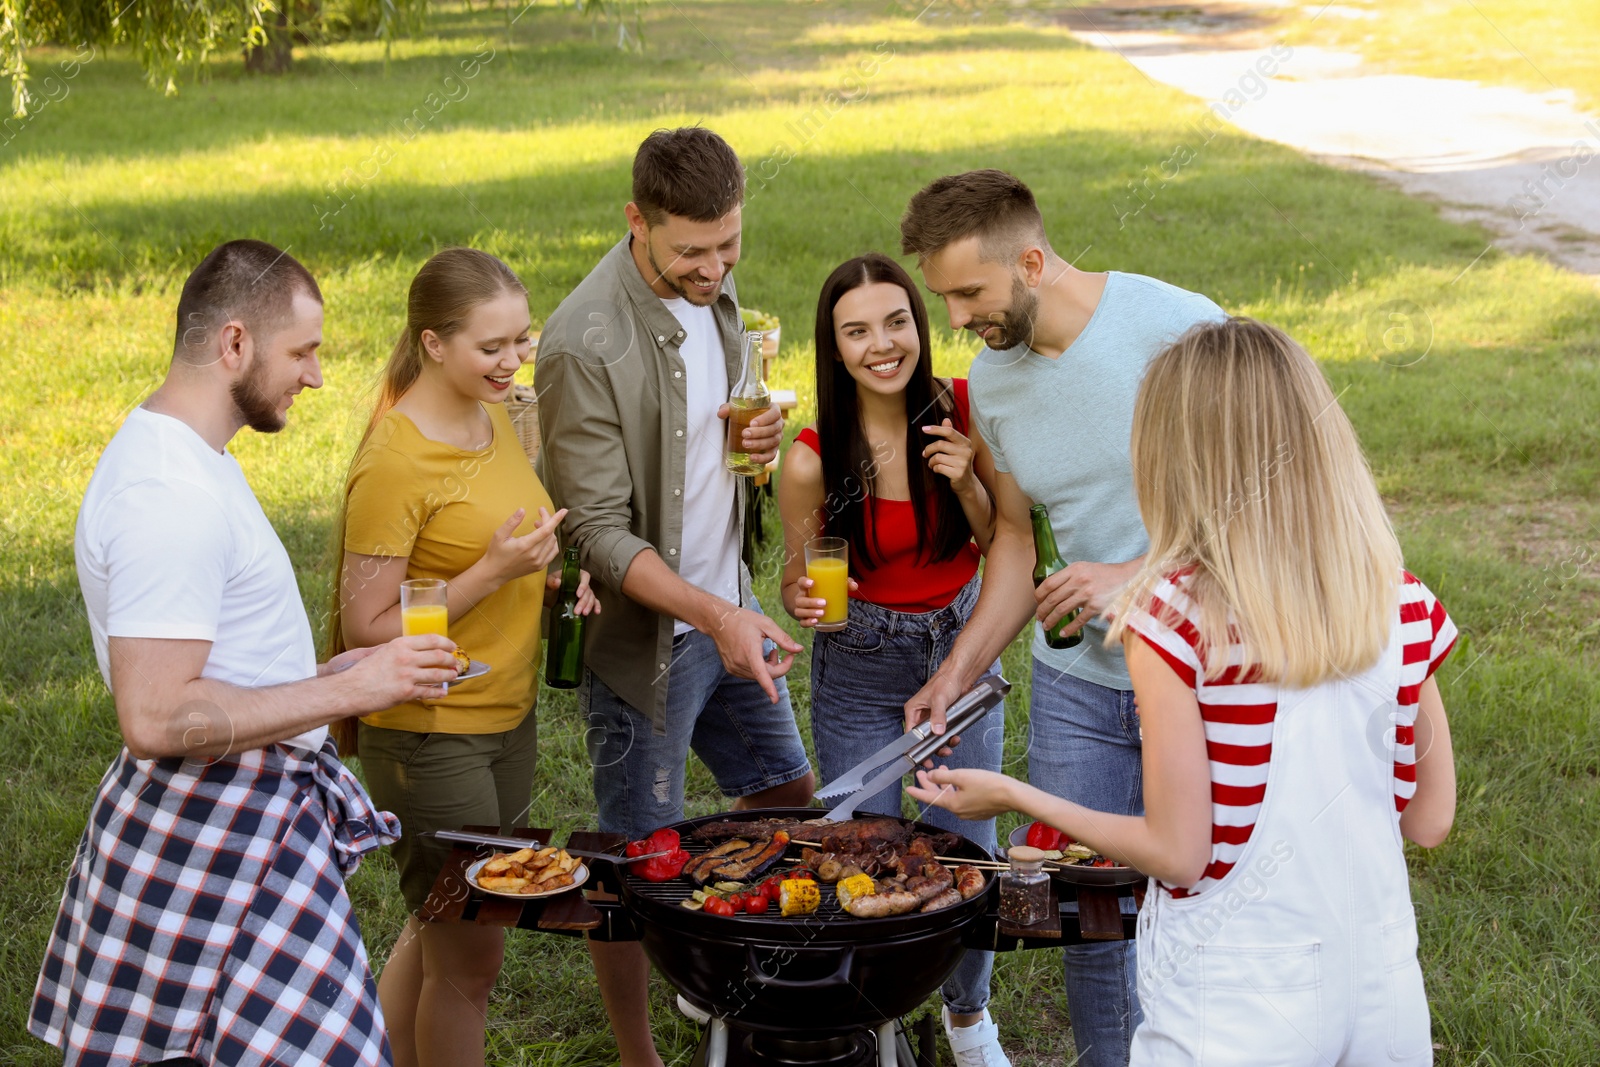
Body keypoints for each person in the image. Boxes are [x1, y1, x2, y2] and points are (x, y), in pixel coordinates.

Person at [911, 317, 1459, 1065]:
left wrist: (1016, 795)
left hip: (1235, 993)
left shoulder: (1170, 615)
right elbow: (1428, 819)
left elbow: (1177, 850)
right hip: (1384, 984)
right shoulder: (1404, 602)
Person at [32, 239, 461, 1067]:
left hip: (241, 811)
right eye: (302, 351)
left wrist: (331, 677)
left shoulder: (195, 458)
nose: (317, 376)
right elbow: (156, 715)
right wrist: (348, 691)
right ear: (235, 343)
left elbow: (214, 665)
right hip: (217, 813)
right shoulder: (170, 495)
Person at [898, 170, 1227, 1066]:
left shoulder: (1180, 328)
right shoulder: (994, 387)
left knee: (1209, 898)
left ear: (1033, 260)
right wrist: (956, 672)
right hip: (1081, 684)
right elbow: (1011, 538)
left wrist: (1135, 574)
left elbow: (1267, 498)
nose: (956, 319)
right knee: (1091, 912)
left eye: (970, 292)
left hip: (1207, 675)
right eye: (944, 297)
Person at [534, 126, 815, 1066]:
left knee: (789, 803)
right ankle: (636, 1052)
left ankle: (740, 987)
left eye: (729, 244)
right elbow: (596, 532)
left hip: (726, 610)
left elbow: (710, 442)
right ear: (635, 222)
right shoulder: (584, 341)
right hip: (653, 643)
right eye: (692, 250)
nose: (715, 268)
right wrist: (717, 614)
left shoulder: (717, 289)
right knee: (634, 863)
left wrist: (757, 452)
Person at [330, 248, 597, 1067]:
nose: (514, 360)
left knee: (437, 924)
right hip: (429, 732)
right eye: (493, 346)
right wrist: (491, 573)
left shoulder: (497, 415)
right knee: (471, 961)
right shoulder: (396, 460)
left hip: (504, 719)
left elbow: (505, 539)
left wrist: (548, 590)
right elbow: (365, 624)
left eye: (522, 338)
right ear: (433, 344)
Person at [777, 252, 1009, 1065]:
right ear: (833, 347)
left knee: (965, 848)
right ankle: (878, 1019)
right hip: (862, 659)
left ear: (919, 323)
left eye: (897, 321)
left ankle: (968, 1018)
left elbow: (1004, 547)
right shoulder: (811, 457)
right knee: (862, 850)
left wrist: (967, 484)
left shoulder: (967, 411)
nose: (883, 344)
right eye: (857, 330)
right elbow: (795, 572)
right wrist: (799, 597)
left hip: (962, 641)